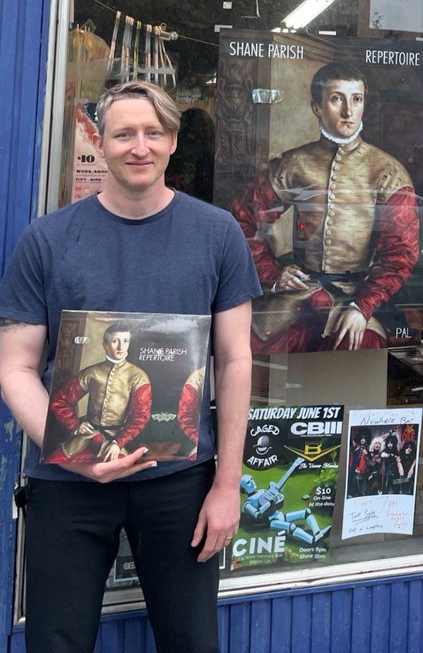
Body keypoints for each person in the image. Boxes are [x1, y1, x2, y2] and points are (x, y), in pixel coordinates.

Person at [0, 80, 260, 653]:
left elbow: (236, 360)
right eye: (123, 133)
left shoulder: (217, 234)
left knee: (192, 641)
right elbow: (14, 367)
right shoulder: (46, 240)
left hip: (182, 484)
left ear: (172, 141)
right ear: (99, 139)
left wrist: (227, 485)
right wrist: (74, 449)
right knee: (56, 642)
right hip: (68, 482)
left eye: (153, 132)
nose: (138, 146)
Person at [230, 61, 420, 354]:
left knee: (355, 350)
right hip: (297, 296)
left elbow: (400, 253)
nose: (348, 112)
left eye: (356, 100)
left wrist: (362, 307)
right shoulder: (294, 164)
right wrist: (272, 273)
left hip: (356, 298)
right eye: (336, 99)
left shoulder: (387, 172)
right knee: (249, 348)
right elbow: (241, 222)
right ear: (317, 107)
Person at [46, 321, 152, 465]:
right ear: (105, 345)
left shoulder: (139, 377)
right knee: (53, 461)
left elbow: (140, 416)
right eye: (115, 341)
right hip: (85, 437)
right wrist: (76, 425)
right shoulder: (92, 373)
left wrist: (117, 443)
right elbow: (60, 400)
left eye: (125, 341)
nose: (121, 346)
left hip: (116, 440)